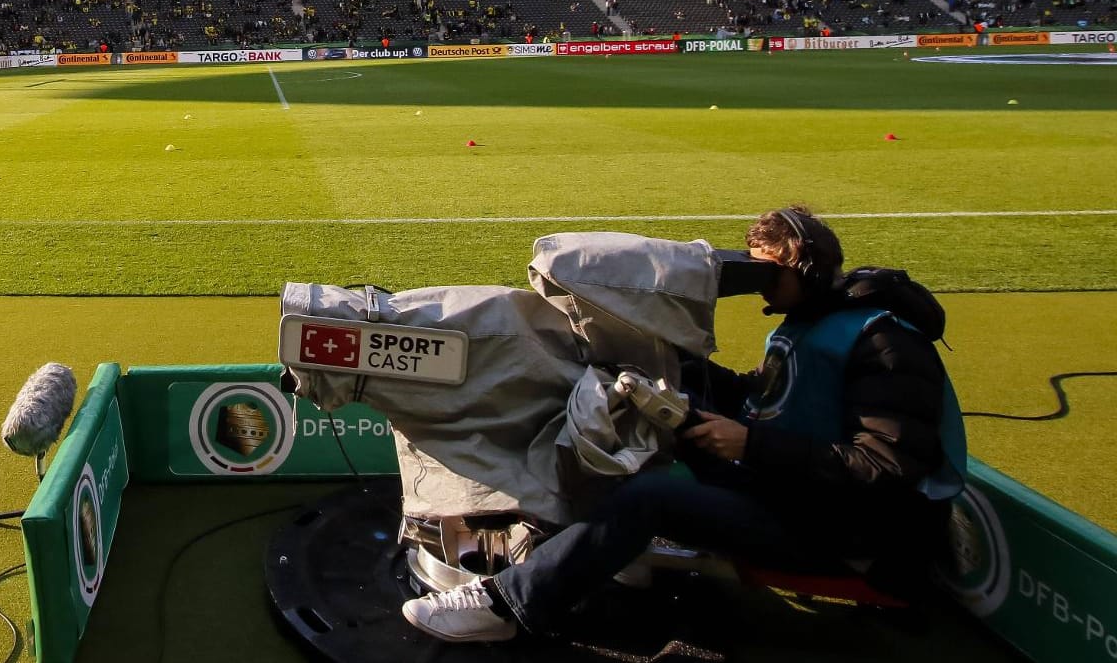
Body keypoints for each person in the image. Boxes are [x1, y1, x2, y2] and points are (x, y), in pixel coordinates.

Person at [402, 206, 967, 643]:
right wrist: (673, 369)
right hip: (802, 495)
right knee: (661, 407)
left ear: (809, 267)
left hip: (851, 533)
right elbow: (771, 395)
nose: (758, 283)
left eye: (770, 269)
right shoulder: (812, 323)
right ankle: (586, 547)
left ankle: (506, 607)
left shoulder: (884, 342)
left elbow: (886, 466)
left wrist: (750, 441)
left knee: (651, 498)